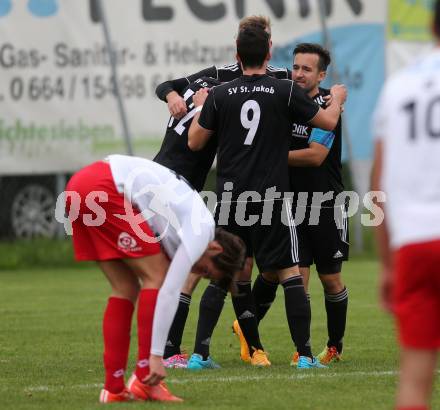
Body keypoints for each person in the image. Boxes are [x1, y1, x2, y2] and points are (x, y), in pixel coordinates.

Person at [189, 25, 347, 368]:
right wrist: (336, 101)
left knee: (222, 273)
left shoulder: (220, 94)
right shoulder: (285, 91)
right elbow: (328, 122)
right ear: (270, 53)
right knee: (290, 272)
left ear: (236, 55)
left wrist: (205, 108)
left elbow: (195, 142)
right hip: (270, 195)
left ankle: (200, 354)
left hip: (230, 196)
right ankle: (305, 355)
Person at [155, 15, 293, 369]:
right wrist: (174, 95)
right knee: (196, 266)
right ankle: (169, 351)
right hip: (175, 180)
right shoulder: (219, 80)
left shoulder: (255, 80)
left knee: (229, 265)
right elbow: (168, 86)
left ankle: (247, 346)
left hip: (185, 182)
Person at [65, 154, 245, 403]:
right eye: (205, 271)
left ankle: (114, 389)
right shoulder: (202, 229)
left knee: (125, 288)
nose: (199, 274)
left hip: (80, 185)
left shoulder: (190, 226)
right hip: (104, 187)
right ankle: (145, 378)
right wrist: (156, 356)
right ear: (215, 249)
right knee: (156, 277)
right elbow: (169, 291)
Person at [247, 43, 349, 366]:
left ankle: (334, 345)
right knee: (296, 275)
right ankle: (300, 349)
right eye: (296, 67)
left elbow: (317, 156)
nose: (299, 74)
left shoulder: (327, 107)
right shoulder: (286, 102)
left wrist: (271, 159)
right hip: (292, 203)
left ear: (321, 74)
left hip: (326, 203)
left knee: (330, 279)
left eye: (307, 69)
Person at [371, 2, 440, 409]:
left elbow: (377, 184)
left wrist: (386, 262)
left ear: (431, 24)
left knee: (413, 382)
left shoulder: (398, 86)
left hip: (413, 242)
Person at [153, 76, 223, 368]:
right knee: (177, 271)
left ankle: (167, 349)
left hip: (164, 183)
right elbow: (195, 143)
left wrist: (171, 94)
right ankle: (166, 352)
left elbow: (165, 85)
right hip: (172, 187)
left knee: (177, 270)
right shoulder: (219, 92)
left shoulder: (201, 86)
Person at [155, 15, 291, 121]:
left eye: (260, 39)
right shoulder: (220, 74)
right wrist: (173, 97)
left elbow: (311, 100)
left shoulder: (284, 77)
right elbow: (166, 86)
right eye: (247, 38)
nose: (253, 43)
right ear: (238, 43)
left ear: (269, 44)